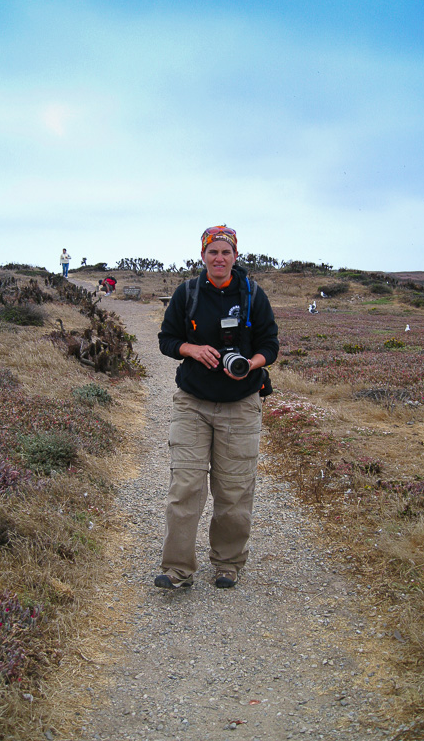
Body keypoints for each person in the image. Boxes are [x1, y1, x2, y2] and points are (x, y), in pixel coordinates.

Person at [155, 225, 279, 590]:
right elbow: (167, 339)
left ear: (236, 257)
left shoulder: (254, 295)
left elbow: (270, 344)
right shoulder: (188, 293)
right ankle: (177, 569)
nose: (219, 258)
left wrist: (250, 364)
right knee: (185, 487)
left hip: (241, 405)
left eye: (226, 252)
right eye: (213, 252)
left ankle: (227, 563)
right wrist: (191, 349)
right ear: (203, 256)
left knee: (234, 490)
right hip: (192, 403)